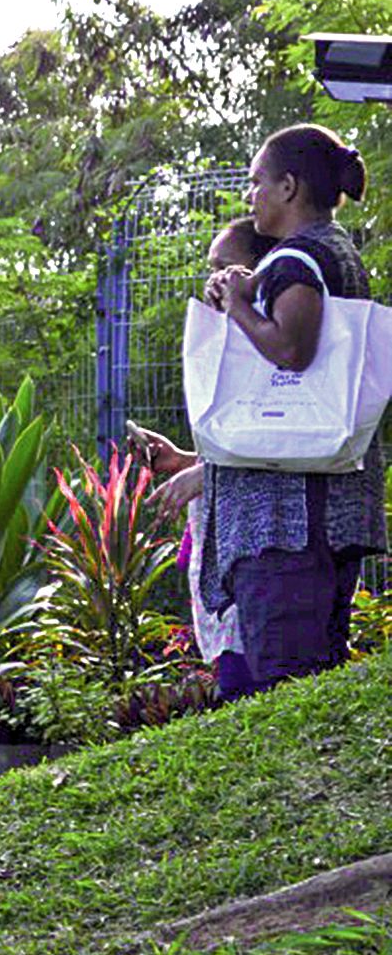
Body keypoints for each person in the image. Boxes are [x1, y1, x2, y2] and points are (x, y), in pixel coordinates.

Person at [196, 126, 381, 694]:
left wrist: (236, 309)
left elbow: (291, 349)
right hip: (330, 508)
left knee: (284, 684)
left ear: (289, 187)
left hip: (286, 524)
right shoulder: (335, 251)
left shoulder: (299, 257)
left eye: (257, 183)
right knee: (316, 686)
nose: (250, 197)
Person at [130, 216, 279, 702]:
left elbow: (279, 443)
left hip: (256, 549)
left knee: (252, 691)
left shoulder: (271, 345)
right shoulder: (230, 341)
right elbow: (240, 443)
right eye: (211, 268)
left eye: (227, 267)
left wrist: (204, 475)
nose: (213, 279)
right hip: (226, 556)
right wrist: (183, 461)